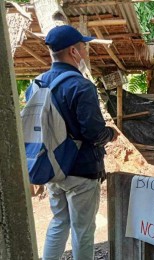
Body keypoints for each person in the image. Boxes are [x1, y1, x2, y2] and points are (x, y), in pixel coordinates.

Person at [26, 25, 119, 260]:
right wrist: (111, 133)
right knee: (83, 231)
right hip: (81, 172)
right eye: (83, 47)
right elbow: (94, 133)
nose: (86, 52)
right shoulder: (81, 86)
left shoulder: (36, 85)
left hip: (52, 167)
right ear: (73, 51)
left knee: (58, 223)